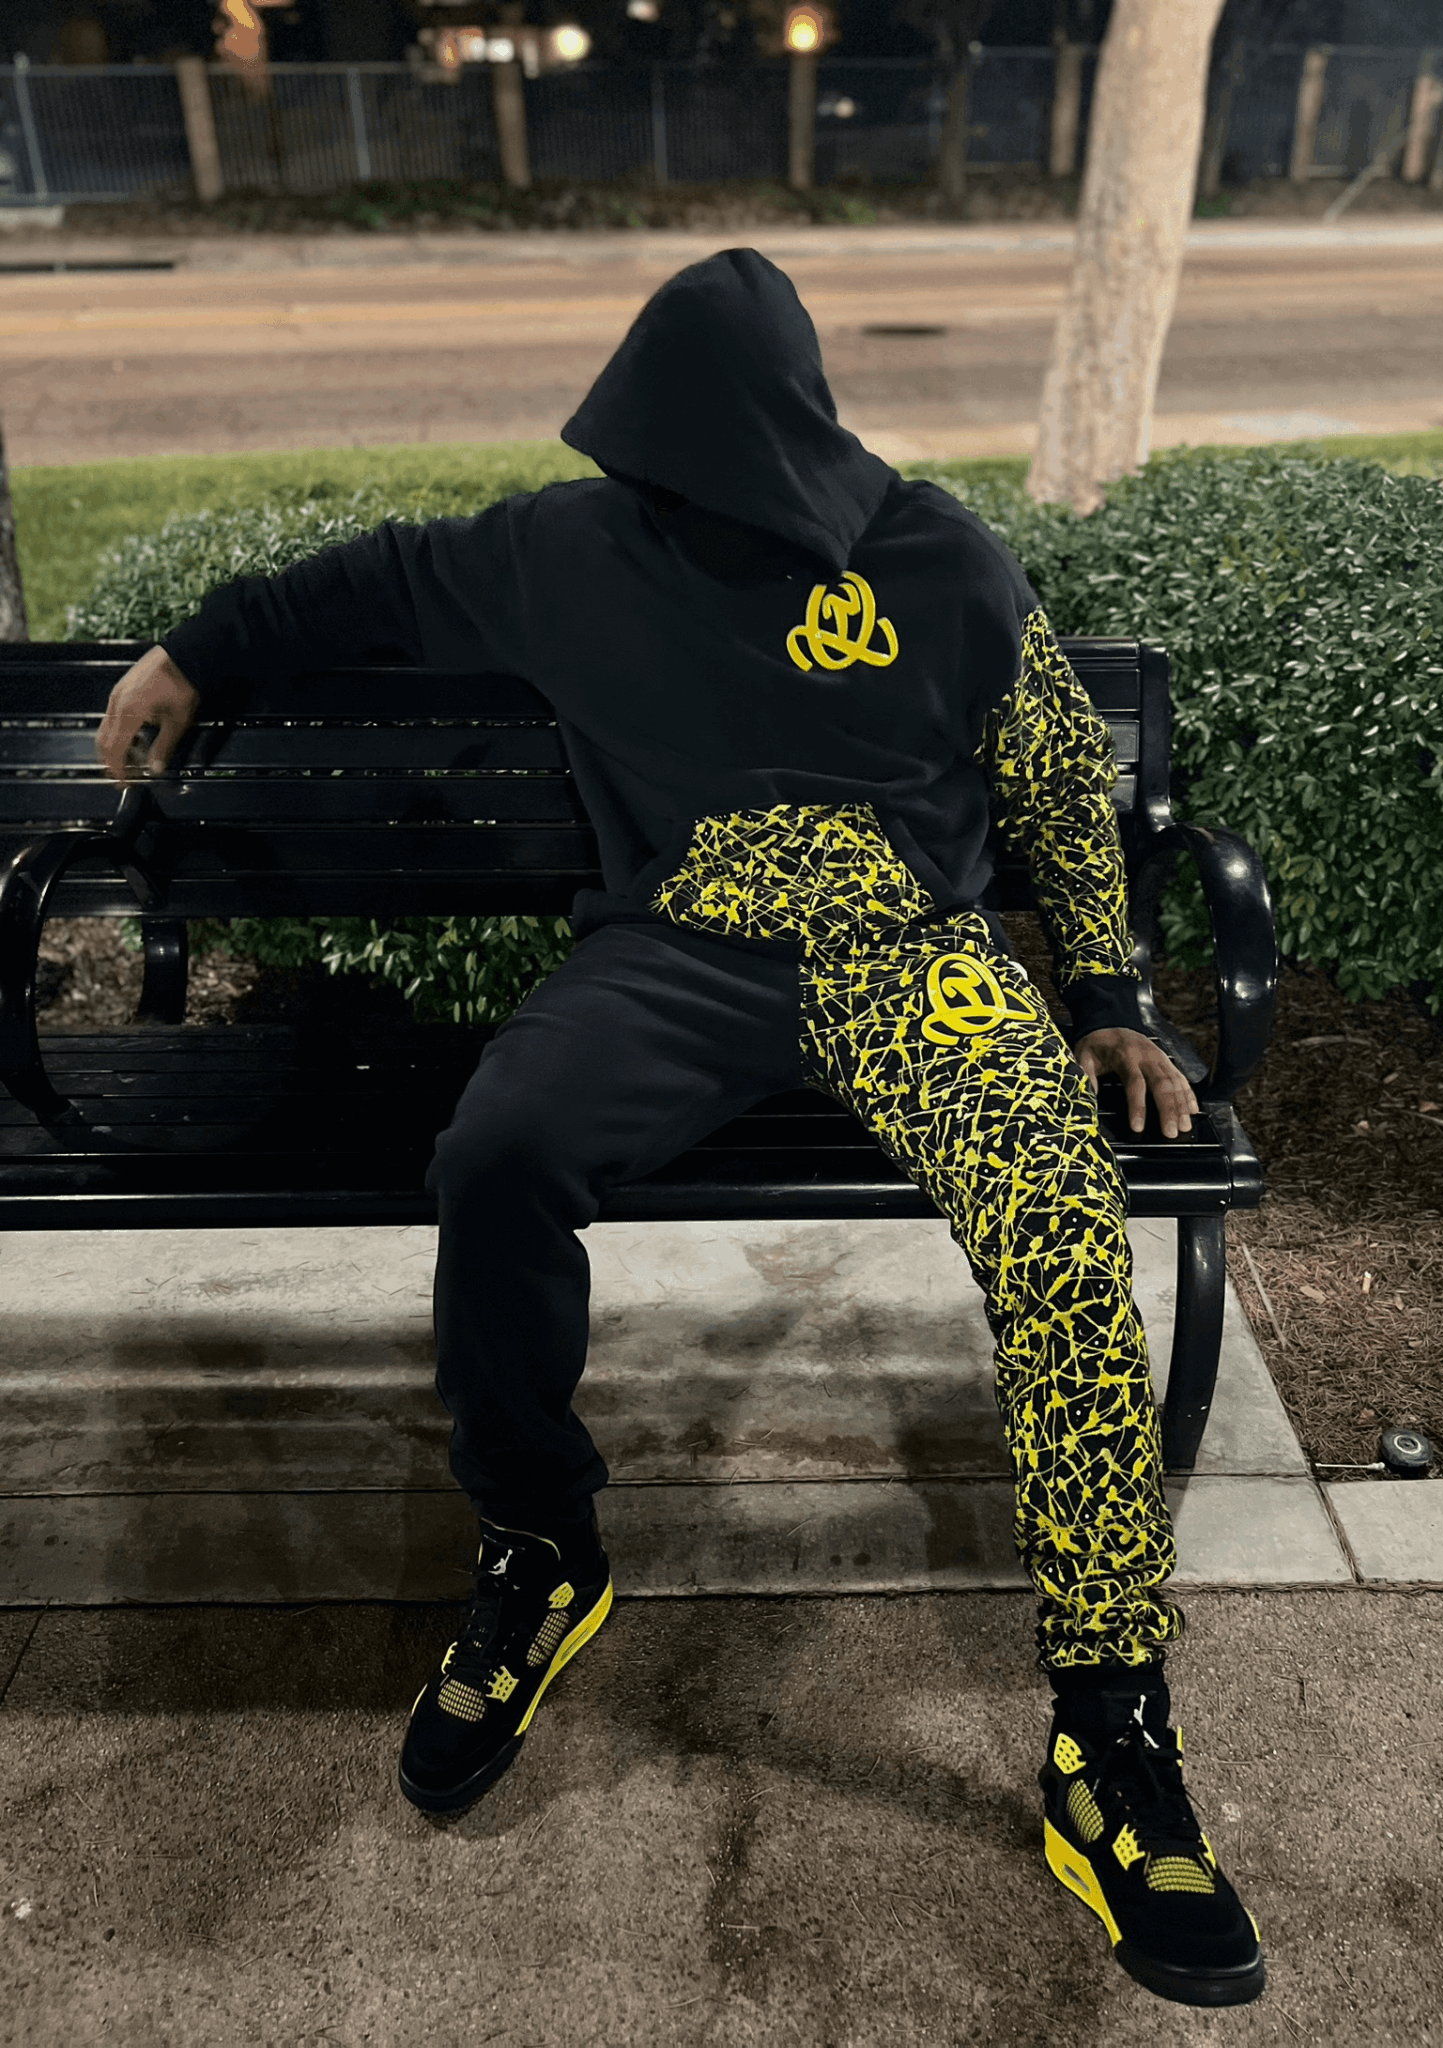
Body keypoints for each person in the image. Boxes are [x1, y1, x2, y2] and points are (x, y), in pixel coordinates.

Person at [96, 248, 1264, 2010]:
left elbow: (1045, 772)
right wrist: (197, 647)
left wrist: (1106, 991)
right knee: (496, 1159)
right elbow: (372, 579)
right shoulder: (572, 549)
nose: (664, 486)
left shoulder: (940, 557)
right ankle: (541, 1546)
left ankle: (1110, 1730)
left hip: (915, 959)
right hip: (681, 957)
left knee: (1060, 1223)